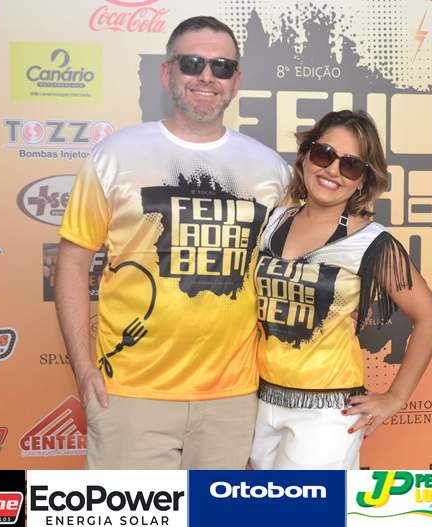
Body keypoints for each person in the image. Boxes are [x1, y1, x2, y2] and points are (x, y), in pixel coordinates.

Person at [54, 16, 290, 469]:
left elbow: (288, 271)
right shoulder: (114, 155)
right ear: (167, 73)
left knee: (214, 510)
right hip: (130, 393)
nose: (207, 76)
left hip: (233, 399)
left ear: (236, 81)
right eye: (192, 63)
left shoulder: (271, 169)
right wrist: (83, 371)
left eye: (222, 67)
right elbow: (72, 262)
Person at [249, 110, 432, 469]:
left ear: (363, 181)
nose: (333, 170)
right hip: (257, 401)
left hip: (326, 414)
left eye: (351, 165)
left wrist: (396, 397)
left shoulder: (370, 241)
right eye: (324, 154)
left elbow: (430, 317)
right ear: (306, 155)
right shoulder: (272, 221)